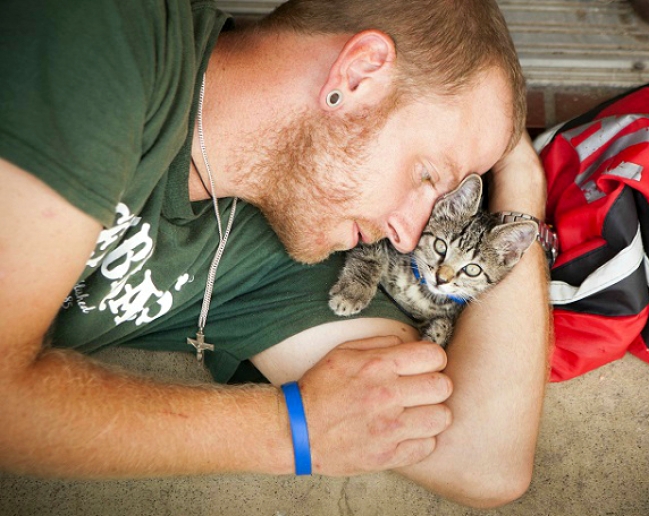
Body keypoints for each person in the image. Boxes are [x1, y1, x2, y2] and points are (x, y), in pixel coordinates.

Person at [0, 0, 550, 508]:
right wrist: (290, 429)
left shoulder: (290, 235)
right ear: (356, 75)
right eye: (426, 175)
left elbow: (481, 458)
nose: (407, 238)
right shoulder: (106, 36)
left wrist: (523, 189)